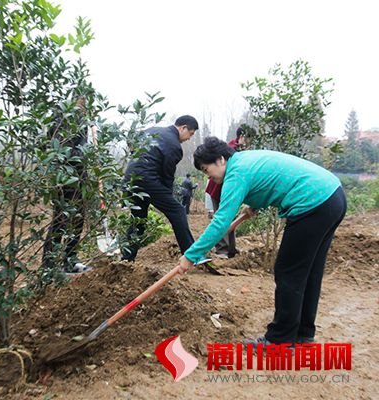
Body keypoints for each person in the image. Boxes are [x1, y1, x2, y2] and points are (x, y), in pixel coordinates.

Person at [179, 137, 346, 346]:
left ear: (221, 160)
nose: (209, 177)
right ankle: (303, 334)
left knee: (288, 272)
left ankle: (280, 340)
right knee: (309, 272)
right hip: (332, 196)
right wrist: (253, 206)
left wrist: (191, 255)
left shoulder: (236, 173)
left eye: (206, 170)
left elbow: (221, 221)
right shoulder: (244, 161)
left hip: (311, 202)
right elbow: (270, 180)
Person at [121, 115, 199, 262]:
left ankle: (127, 258)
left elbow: (132, 145)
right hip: (148, 179)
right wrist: (167, 198)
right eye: (191, 134)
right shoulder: (174, 146)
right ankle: (192, 255)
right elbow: (167, 176)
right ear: (183, 128)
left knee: (139, 219)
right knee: (177, 210)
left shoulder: (151, 130)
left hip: (130, 179)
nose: (189, 138)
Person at [41, 93, 92, 275]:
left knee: (77, 221)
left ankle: (70, 261)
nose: (86, 105)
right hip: (65, 179)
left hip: (79, 179)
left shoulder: (82, 120)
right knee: (61, 221)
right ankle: (48, 266)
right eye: (84, 100)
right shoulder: (64, 118)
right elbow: (63, 149)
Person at [204, 124, 250, 258]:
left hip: (230, 191)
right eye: (249, 139)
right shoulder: (231, 150)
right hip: (219, 190)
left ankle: (231, 249)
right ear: (242, 137)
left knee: (231, 217)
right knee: (222, 217)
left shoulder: (241, 151)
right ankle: (222, 250)